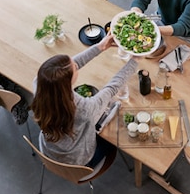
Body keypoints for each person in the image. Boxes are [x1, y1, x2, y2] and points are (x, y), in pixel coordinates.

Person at [31, 33, 139, 168]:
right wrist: (135, 60)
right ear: (68, 82)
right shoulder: (84, 109)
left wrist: (99, 47)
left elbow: (69, 67)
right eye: (75, 68)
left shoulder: (39, 85)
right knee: (114, 141)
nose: (76, 65)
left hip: (49, 150)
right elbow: (112, 88)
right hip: (78, 161)